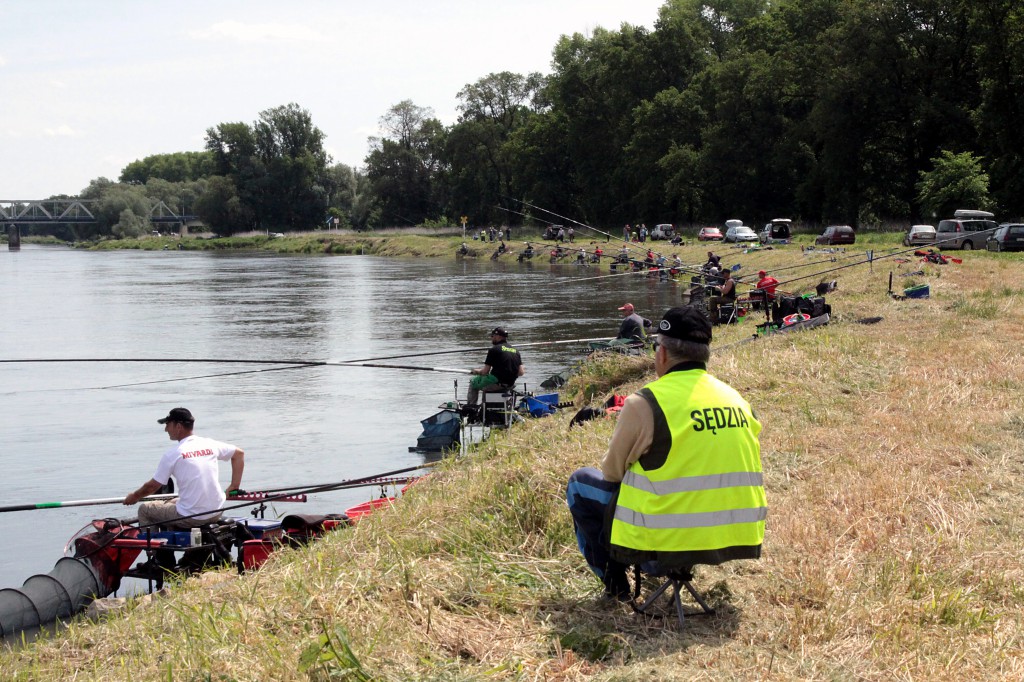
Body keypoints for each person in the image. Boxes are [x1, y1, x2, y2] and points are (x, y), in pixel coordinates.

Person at [566, 306, 766, 599]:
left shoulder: (645, 402)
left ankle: (616, 586)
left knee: (579, 483)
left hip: (665, 540)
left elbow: (611, 473)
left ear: (661, 354)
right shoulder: (737, 400)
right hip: (735, 536)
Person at [124, 407, 244, 529]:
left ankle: (152, 541)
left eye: (167, 424)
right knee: (173, 501)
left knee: (144, 509)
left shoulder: (173, 454)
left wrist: (134, 496)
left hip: (192, 518)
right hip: (217, 510)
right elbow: (239, 454)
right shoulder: (210, 444)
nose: (166, 429)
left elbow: (152, 486)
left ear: (178, 426)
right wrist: (234, 486)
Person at [465, 327, 525, 408]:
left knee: (473, 382)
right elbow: (521, 372)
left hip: (496, 384)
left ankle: (471, 408)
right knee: (486, 381)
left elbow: (485, 372)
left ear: (498, 336)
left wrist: (476, 371)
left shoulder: (494, 350)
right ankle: (485, 406)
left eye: (492, 336)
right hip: (510, 384)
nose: (491, 338)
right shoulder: (515, 351)